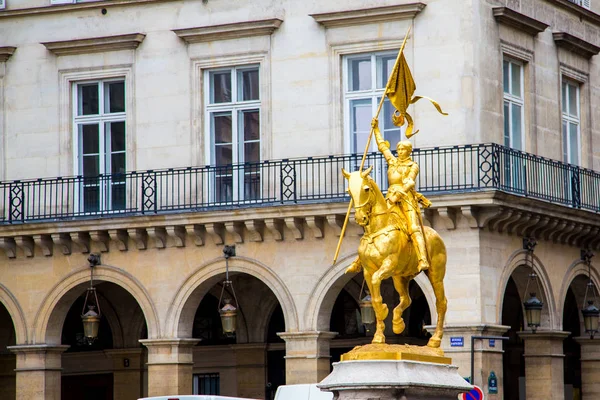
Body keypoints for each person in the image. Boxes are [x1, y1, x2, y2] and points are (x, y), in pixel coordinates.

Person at [372, 118, 431, 272]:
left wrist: (398, 195)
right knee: (375, 222)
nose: (399, 151)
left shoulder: (413, 165)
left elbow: (410, 182)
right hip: (390, 196)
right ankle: (362, 258)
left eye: (402, 149)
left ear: (408, 151)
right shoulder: (392, 162)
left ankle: (422, 258)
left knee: (413, 227)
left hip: (406, 198)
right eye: (398, 149)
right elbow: (382, 146)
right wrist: (376, 129)